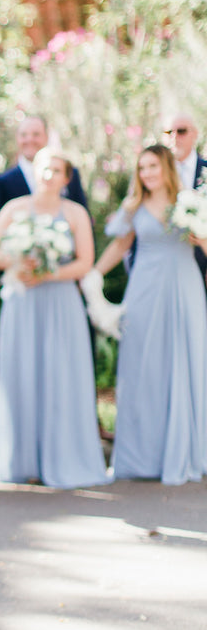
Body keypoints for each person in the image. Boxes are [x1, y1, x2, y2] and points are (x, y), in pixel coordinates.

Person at [0, 148, 110, 489]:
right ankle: (21, 459)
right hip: (23, 302)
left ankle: (63, 456)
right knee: (22, 374)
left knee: (61, 374)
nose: (49, 174)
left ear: (67, 178)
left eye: (56, 169)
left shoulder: (76, 213)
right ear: (34, 171)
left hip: (61, 303)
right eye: (43, 168)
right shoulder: (14, 208)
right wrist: (17, 261)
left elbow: (85, 262)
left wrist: (48, 273)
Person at [92, 144, 207, 484]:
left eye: (153, 166)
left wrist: (198, 234)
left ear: (167, 167)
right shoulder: (134, 205)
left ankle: (187, 450)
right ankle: (142, 456)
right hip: (144, 290)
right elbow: (120, 245)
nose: (147, 173)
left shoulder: (192, 201)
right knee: (142, 366)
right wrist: (93, 275)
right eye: (142, 168)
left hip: (184, 289)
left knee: (186, 363)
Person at [0, 115, 89, 211]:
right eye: (24, 135)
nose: (29, 139)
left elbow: (84, 215)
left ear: (47, 136)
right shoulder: (3, 181)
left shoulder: (69, 173)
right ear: (17, 138)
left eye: (36, 134)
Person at [161, 110, 207, 290]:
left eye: (181, 131)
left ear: (194, 134)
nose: (174, 137)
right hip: (165, 268)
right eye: (168, 132)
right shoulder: (154, 176)